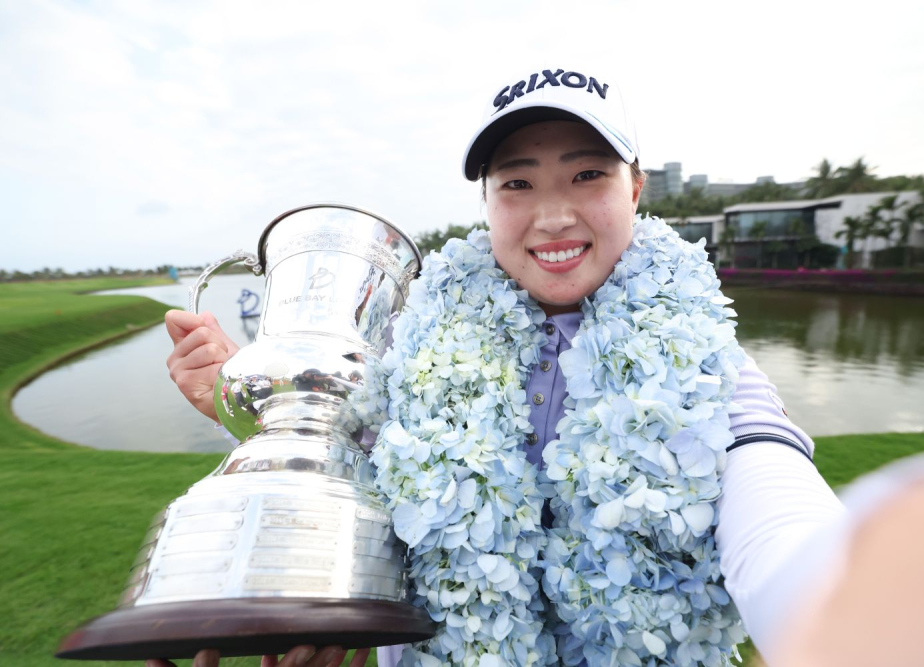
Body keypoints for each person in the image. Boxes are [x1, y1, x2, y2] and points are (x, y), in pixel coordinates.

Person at [161, 67, 844, 667]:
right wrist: (265, 415)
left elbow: (780, 518)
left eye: (587, 175)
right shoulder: (413, 346)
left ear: (635, 188)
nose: (552, 215)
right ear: (486, 203)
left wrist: (842, 619)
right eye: (517, 182)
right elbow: (355, 470)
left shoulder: (704, 363)